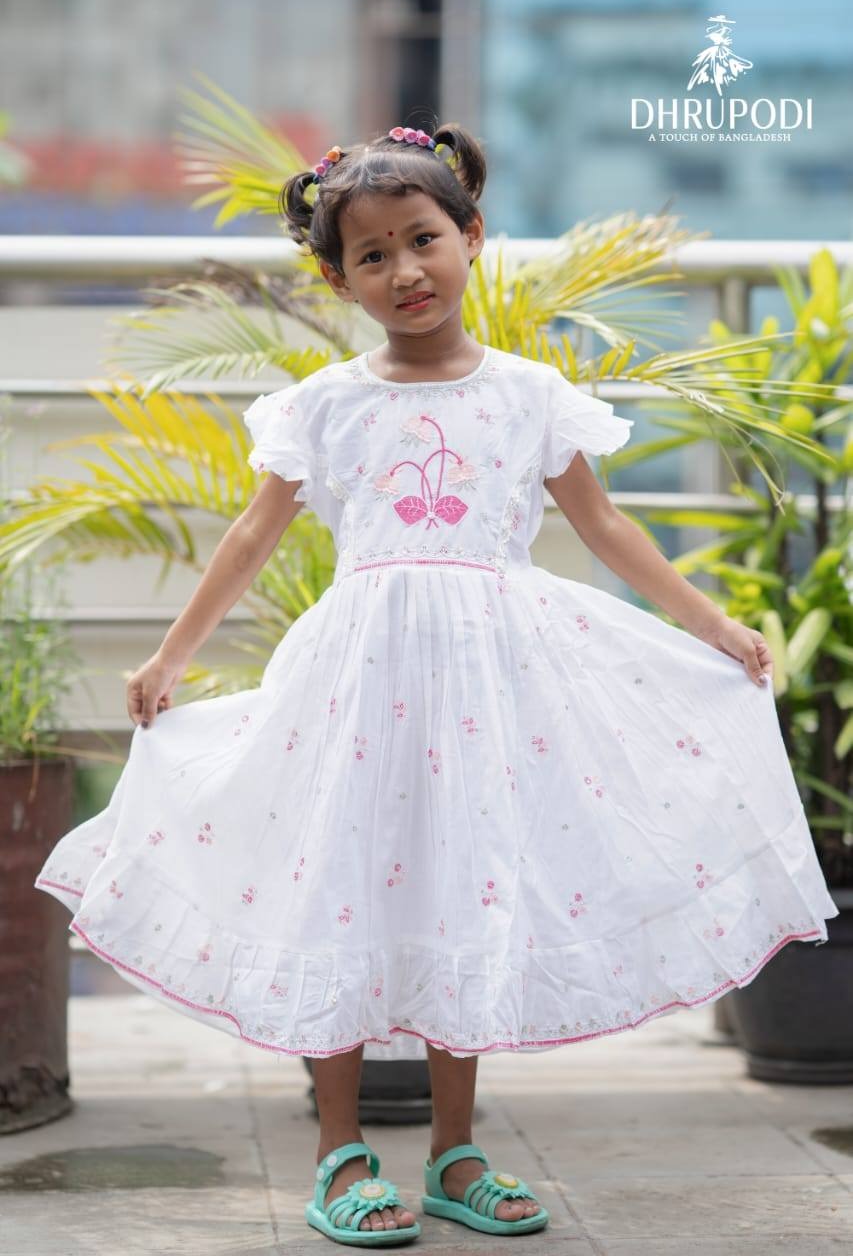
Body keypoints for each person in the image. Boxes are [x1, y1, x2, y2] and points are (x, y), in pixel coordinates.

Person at [34, 121, 839, 1248]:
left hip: (489, 688)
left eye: (423, 239)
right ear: (338, 280)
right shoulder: (324, 403)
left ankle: (457, 1151)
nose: (405, 270)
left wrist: (711, 625)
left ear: (471, 237)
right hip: (356, 683)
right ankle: (341, 1149)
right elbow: (250, 539)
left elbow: (603, 525)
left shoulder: (530, 393)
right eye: (372, 255)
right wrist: (168, 654)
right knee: (339, 885)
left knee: (465, 887)